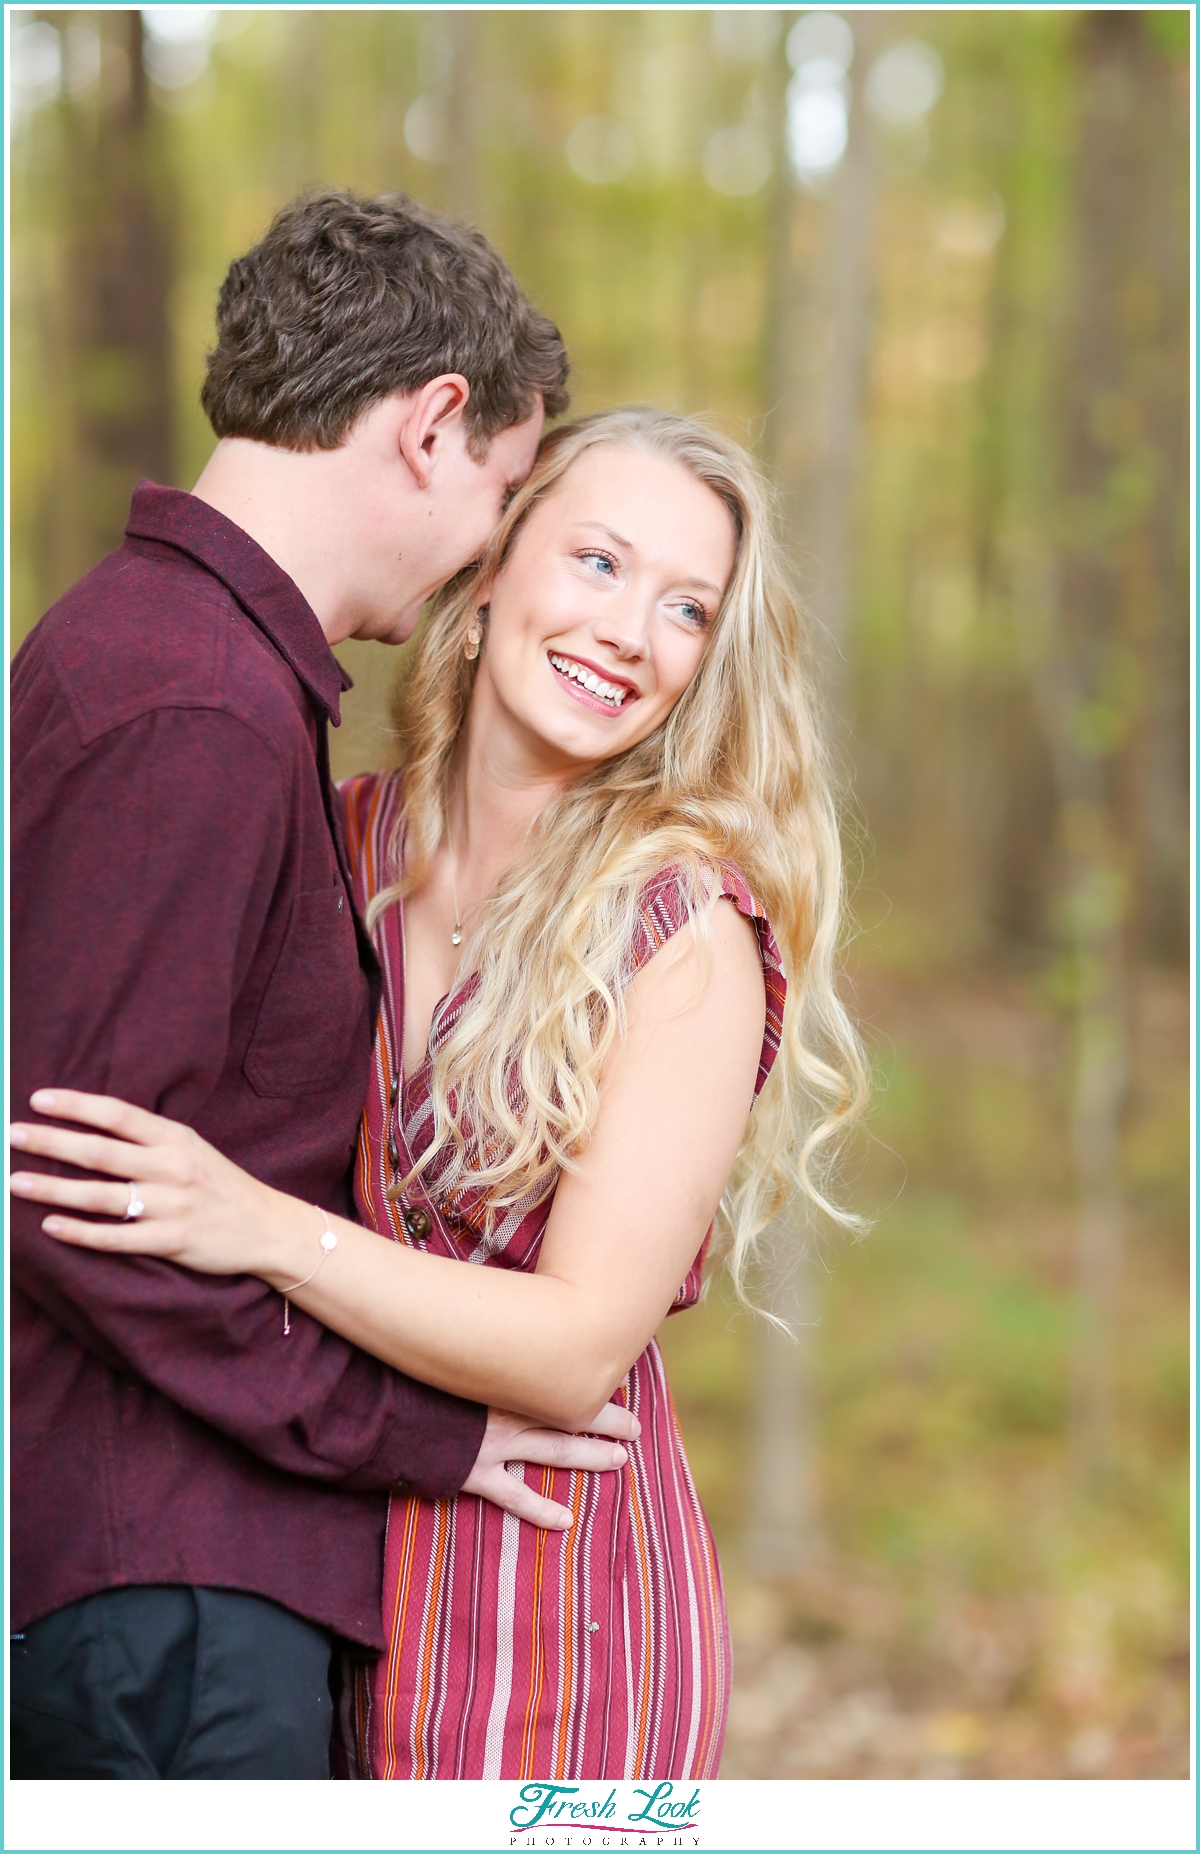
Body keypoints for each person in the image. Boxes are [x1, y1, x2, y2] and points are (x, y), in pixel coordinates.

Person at [12, 407, 867, 1781]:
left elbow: (576, 1343)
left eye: (686, 607)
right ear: (493, 569)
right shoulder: (341, 835)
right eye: (596, 562)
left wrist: (267, 1227)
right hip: (317, 1566)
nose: (631, 632)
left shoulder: (681, 928)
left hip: (555, 1601)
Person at [8, 191, 640, 1783]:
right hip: (165, 1599)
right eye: (505, 484)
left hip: (164, 1579)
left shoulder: (165, 661)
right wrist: (421, 1434)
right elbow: (85, 1198)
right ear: (434, 425)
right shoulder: (193, 703)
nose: (494, 542)